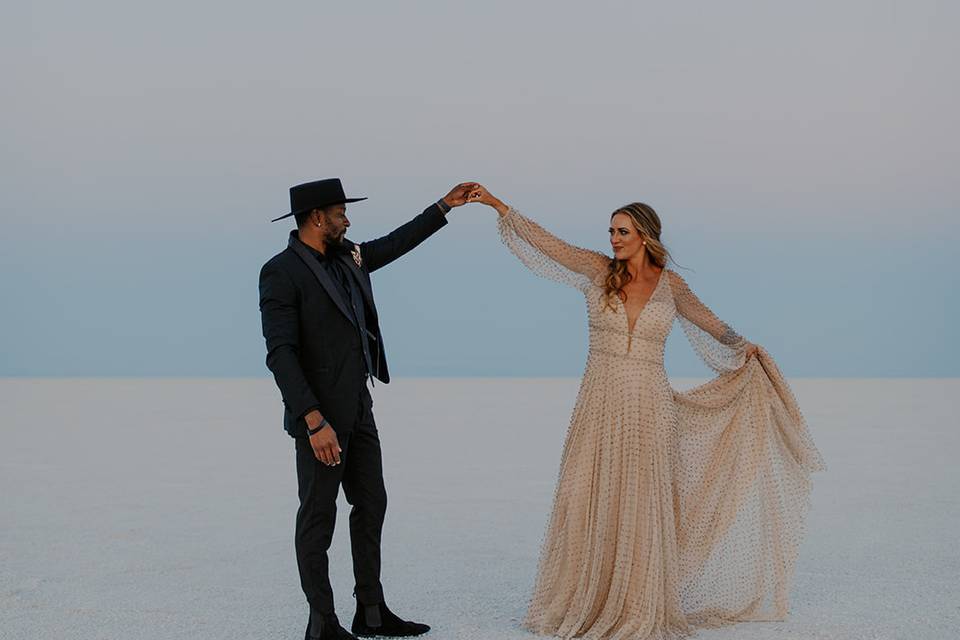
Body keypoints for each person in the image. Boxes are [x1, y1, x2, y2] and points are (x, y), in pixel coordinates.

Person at [468, 186, 825, 640]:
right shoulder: (598, 270)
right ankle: (590, 597)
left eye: (623, 231)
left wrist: (745, 345)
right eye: (612, 230)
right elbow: (548, 244)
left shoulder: (671, 286)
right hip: (599, 401)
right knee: (589, 492)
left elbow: (712, 324)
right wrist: (498, 205)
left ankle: (638, 602)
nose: (614, 239)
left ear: (645, 236)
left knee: (641, 499)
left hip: (649, 406)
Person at [259, 178, 479, 640]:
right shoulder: (281, 272)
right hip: (320, 419)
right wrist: (312, 420)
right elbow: (280, 353)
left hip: (359, 406)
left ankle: (371, 611)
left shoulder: (349, 256)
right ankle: (322, 623)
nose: (347, 219)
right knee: (318, 515)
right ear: (318, 217)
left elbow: (395, 244)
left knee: (372, 502)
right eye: (340, 212)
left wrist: (444, 206)